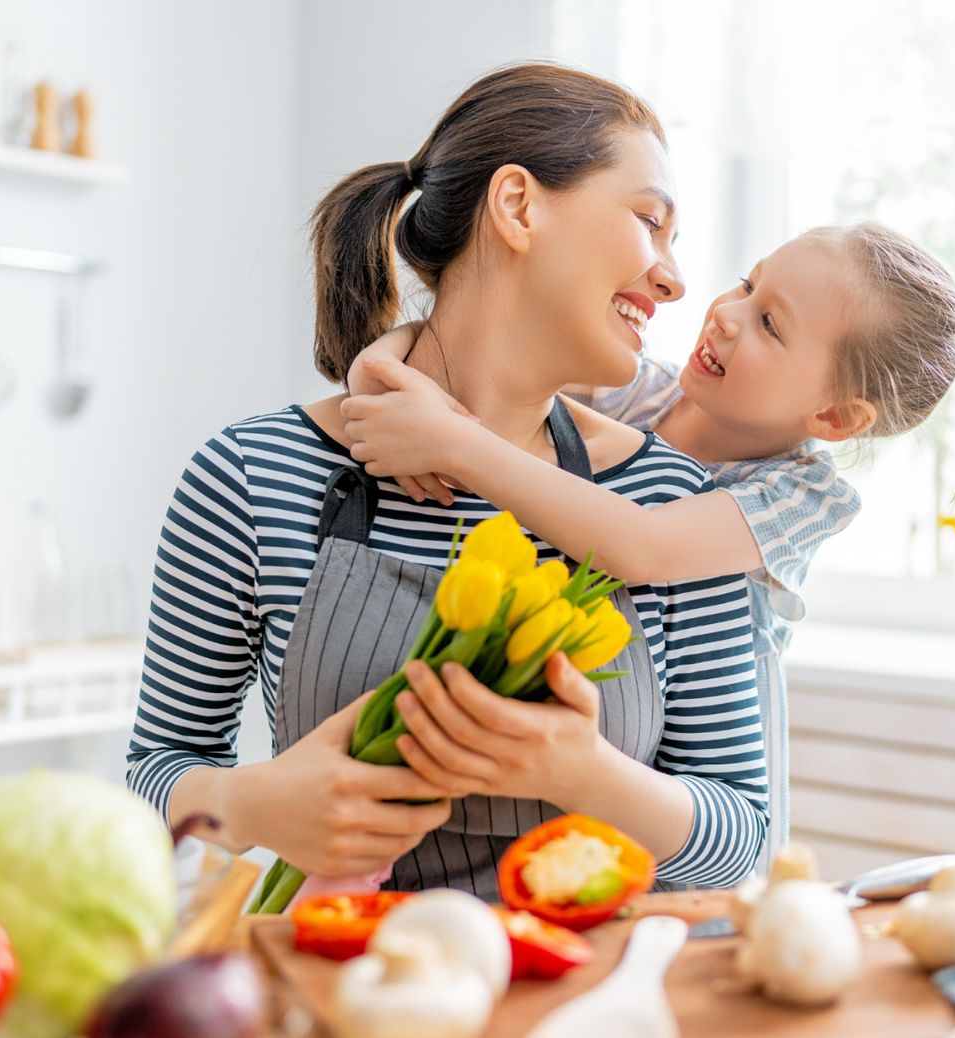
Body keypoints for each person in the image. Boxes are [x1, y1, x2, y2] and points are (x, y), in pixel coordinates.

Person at [125, 64, 768, 899]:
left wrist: (586, 775)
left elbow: (741, 838)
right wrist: (248, 804)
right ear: (517, 207)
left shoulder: (674, 509)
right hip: (345, 995)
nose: (674, 278)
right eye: (650, 221)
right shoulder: (253, 475)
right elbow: (156, 773)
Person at [342, 223, 955, 850]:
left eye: (770, 324)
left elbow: (642, 549)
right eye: (746, 286)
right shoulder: (640, 392)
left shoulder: (801, 492)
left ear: (837, 419)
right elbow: (486, 355)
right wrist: (384, 360)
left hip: (695, 801)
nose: (725, 315)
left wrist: (456, 444)